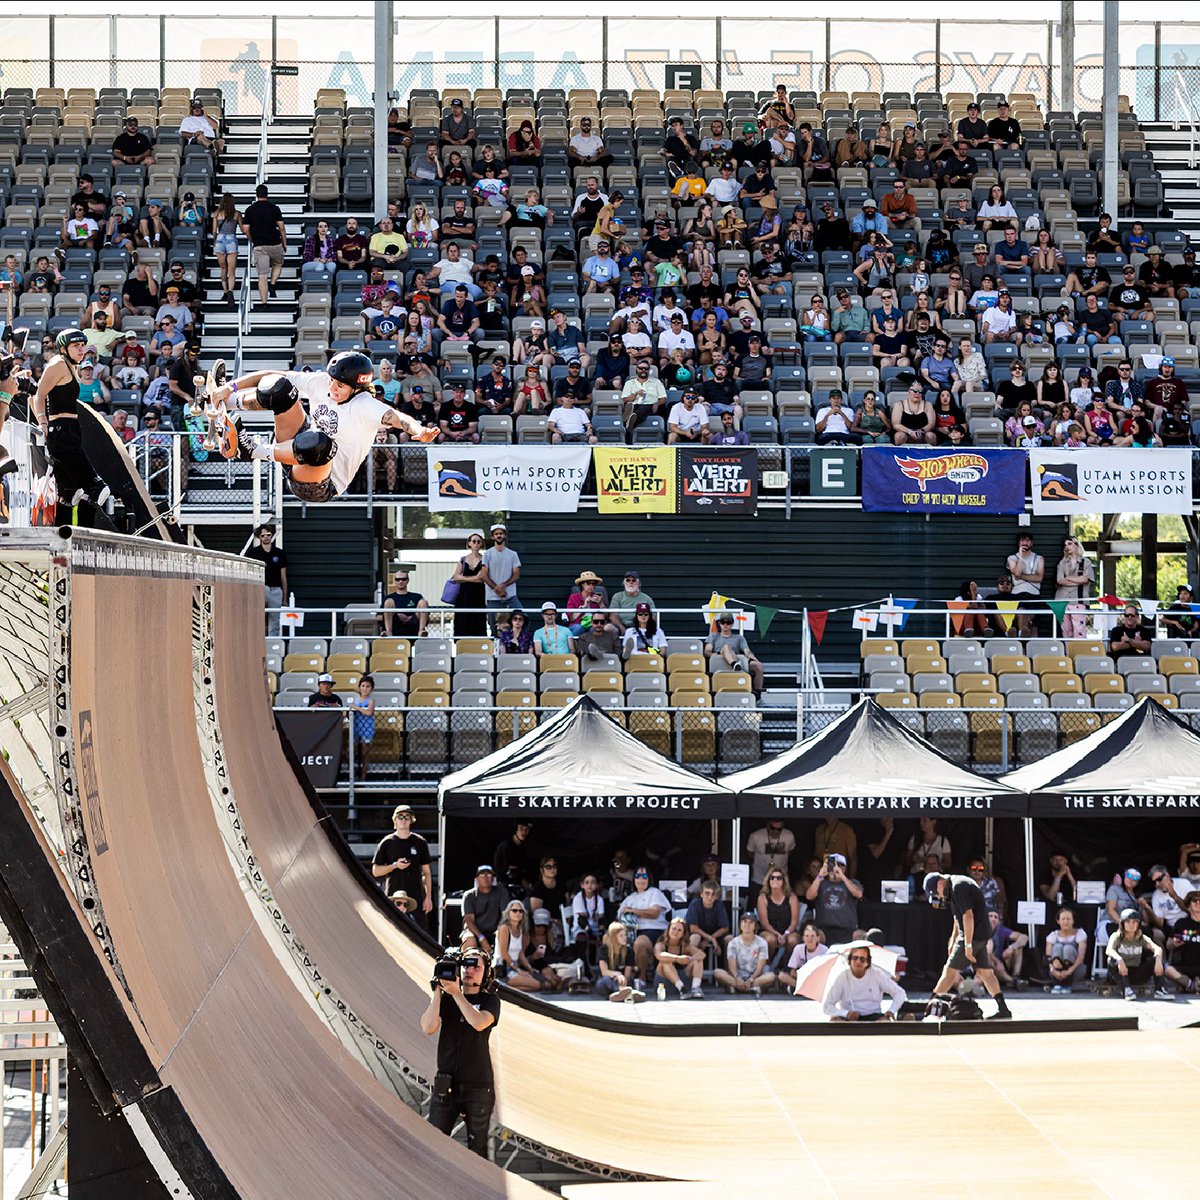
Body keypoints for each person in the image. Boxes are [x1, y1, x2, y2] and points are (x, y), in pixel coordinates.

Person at [212, 353, 436, 503]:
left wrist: (418, 430)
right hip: (294, 446)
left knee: (320, 442)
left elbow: (397, 418)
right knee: (280, 387)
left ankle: (250, 450)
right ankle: (229, 402)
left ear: (357, 389)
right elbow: (272, 375)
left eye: (339, 386)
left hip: (319, 484)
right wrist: (230, 389)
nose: (331, 389)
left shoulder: (366, 406)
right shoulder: (321, 382)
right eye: (331, 381)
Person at [420, 946, 500, 1158]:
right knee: (434, 1143)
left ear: (486, 973)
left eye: (476, 967)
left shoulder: (490, 1000)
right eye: (465, 965)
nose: (469, 971)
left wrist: (456, 993)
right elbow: (428, 1027)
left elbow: (479, 1022)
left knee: (478, 1148)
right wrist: (438, 992)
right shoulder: (448, 999)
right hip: (446, 1083)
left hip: (478, 1086)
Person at [31, 329, 111, 525]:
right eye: (76, 346)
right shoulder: (58, 364)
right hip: (61, 431)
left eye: (83, 345)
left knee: (69, 494)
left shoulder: (70, 366)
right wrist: (42, 421)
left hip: (70, 429)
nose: (81, 349)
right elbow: (37, 394)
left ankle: (64, 537)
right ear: (64, 348)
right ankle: (83, 538)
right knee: (98, 489)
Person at [924, 872, 1012, 1019]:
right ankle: (1004, 1010)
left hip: (973, 936)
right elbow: (957, 917)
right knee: (986, 973)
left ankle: (929, 1007)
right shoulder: (953, 887)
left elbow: (968, 915)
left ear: (940, 883)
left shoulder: (959, 887)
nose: (938, 897)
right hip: (979, 934)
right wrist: (953, 940)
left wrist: (968, 944)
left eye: (935, 893)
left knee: (949, 972)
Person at [371, 804, 433, 920]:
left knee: (417, 929)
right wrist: (395, 865)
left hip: (415, 895)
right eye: (400, 817)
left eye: (407, 817)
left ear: (411, 821)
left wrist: (428, 897)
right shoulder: (387, 842)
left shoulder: (420, 842)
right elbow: (376, 871)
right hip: (393, 895)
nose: (403, 820)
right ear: (394, 820)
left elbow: (426, 873)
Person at [1106, 909, 1184, 1000]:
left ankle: (1160, 990)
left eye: (1134, 922)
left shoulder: (1141, 938)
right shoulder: (1117, 936)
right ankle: (1126, 990)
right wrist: (1119, 959)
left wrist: (1158, 960)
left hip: (1137, 973)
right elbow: (1109, 950)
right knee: (1111, 960)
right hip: (1120, 974)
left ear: (1138, 924)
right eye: (1128, 922)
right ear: (1122, 923)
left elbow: (1157, 948)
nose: (1131, 925)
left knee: (1154, 959)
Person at [822, 944, 908, 1021]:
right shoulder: (842, 977)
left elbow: (900, 993)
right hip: (848, 1018)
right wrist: (845, 1013)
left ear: (867, 962)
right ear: (849, 960)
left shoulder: (877, 974)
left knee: (885, 1022)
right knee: (834, 1020)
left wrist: (891, 1011)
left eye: (862, 959)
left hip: (874, 1016)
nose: (858, 962)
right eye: (855, 958)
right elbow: (827, 1006)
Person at [617, 867, 672, 984]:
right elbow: (619, 917)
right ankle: (615, 977)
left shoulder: (654, 892)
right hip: (631, 931)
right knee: (608, 937)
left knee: (640, 943)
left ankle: (641, 979)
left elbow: (654, 913)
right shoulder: (629, 898)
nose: (640, 879)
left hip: (654, 930)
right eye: (637, 876)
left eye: (644, 876)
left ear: (649, 879)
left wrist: (633, 911)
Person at [240, 184, 286, 306]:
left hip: (260, 245)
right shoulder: (275, 208)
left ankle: (264, 303)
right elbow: (281, 228)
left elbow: (245, 230)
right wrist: (284, 243)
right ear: (267, 194)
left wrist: (252, 239)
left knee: (262, 275)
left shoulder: (250, 209)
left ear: (256, 194)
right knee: (278, 264)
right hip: (275, 242)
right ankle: (273, 284)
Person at [804, 854, 862, 948]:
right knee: (812, 936)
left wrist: (842, 877)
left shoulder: (852, 883)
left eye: (839, 865)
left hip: (848, 930)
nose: (835, 868)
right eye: (832, 865)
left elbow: (858, 894)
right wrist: (820, 875)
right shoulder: (820, 883)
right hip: (824, 930)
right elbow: (809, 896)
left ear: (844, 868)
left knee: (861, 936)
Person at [704, 612, 764, 698]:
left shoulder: (739, 637)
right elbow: (707, 651)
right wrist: (718, 655)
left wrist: (751, 657)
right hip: (719, 662)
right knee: (726, 647)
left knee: (758, 665)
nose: (725, 625)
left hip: (737, 659)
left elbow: (746, 650)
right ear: (719, 623)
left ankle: (757, 693)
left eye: (728, 622)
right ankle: (734, 664)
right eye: (722, 622)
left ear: (732, 624)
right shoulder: (713, 636)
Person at [243, 524, 288, 637]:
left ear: (272, 535)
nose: (266, 537)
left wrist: (285, 598)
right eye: (263, 535)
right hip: (260, 588)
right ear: (259, 537)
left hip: (276, 589)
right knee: (258, 617)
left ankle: (273, 646)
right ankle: (258, 643)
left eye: (268, 535)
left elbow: (283, 576)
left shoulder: (280, 553)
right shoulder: (253, 553)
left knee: (275, 619)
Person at [714, 912, 776, 994]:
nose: (747, 925)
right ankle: (750, 988)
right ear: (740, 924)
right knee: (717, 972)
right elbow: (732, 967)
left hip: (754, 977)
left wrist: (751, 979)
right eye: (744, 921)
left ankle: (737, 988)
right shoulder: (733, 943)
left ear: (755, 926)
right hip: (737, 977)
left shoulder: (762, 943)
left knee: (771, 976)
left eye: (751, 922)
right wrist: (737, 978)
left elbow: (760, 968)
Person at [461, 865, 510, 956]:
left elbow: (505, 915)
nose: (486, 878)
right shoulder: (469, 895)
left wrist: (500, 929)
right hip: (474, 931)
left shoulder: (501, 892)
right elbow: (469, 920)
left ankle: (500, 966)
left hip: (494, 930)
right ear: (477, 878)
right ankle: (468, 966)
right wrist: (481, 938)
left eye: (489, 875)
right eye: (483, 875)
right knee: (469, 939)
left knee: (504, 933)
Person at [756, 868, 801, 968]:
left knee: (793, 940)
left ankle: (789, 966)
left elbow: (794, 922)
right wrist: (777, 934)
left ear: (784, 881)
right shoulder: (763, 897)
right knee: (769, 940)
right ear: (768, 880)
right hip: (769, 930)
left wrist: (785, 934)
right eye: (772, 878)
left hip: (789, 931)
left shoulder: (792, 897)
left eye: (778, 878)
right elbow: (764, 923)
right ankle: (766, 967)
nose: (775, 880)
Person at [596, 922, 645, 1002]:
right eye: (621, 936)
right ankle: (622, 993)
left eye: (625, 935)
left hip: (623, 982)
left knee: (636, 982)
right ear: (614, 937)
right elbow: (604, 972)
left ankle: (622, 994)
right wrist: (617, 975)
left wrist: (623, 979)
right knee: (606, 980)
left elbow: (627, 975)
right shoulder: (604, 949)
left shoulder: (629, 951)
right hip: (608, 980)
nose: (624, 938)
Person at [1044, 906, 1089, 994]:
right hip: (1055, 970)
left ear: (1073, 921)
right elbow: (1048, 957)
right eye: (1063, 919)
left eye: (1068, 919)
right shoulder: (1052, 935)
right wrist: (1053, 970)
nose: (1066, 921)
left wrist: (1069, 971)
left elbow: (1081, 956)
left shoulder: (1080, 933)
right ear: (1058, 921)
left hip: (1075, 969)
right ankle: (1057, 983)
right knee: (1057, 947)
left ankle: (1067, 984)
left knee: (1068, 948)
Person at [482, 523, 521, 625]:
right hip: (493, 597)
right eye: (496, 534)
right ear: (492, 536)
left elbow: (516, 575)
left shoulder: (513, 554)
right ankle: (495, 641)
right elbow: (484, 575)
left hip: (510, 596)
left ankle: (519, 640)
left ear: (505, 535)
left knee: (522, 616)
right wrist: (497, 589)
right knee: (493, 623)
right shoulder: (487, 554)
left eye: (501, 533)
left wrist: (504, 585)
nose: (499, 535)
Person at [686, 880, 731, 962]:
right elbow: (693, 928)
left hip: (715, 935)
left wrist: (709, 939)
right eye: (707, 893)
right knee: (694, 938)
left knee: (730, 939)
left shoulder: (719, 905)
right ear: (701, 894)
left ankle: (730, 971)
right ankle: (690, 968)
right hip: (699, 934)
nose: (710, 897)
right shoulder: (695, 904)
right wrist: (710, 938)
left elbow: (725, 928)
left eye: (713, 894)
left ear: (717, 896)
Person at [380, 569, 428, 638]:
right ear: (395, 581)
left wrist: (410, 617)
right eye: (398, 579)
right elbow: (378, 616)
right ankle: (388, 632)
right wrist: (396, 614)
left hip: (413, 624)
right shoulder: (389, 597)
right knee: (388, 602)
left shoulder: (417, 596)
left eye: (403, 579)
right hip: (395, 624)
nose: (400, 581)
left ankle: (421, 631)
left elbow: (426, 615)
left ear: (408, 580)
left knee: (423, 602)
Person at [1168, 890, 1200, 993]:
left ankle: (1189, 985)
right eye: (1195, 901)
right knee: (1168, 970)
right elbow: (1168, 945)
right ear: (1188, 905)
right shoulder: (1181, 923)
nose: (1198, 903)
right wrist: (1173, 943)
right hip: (1185, 966)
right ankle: (1191, 985)